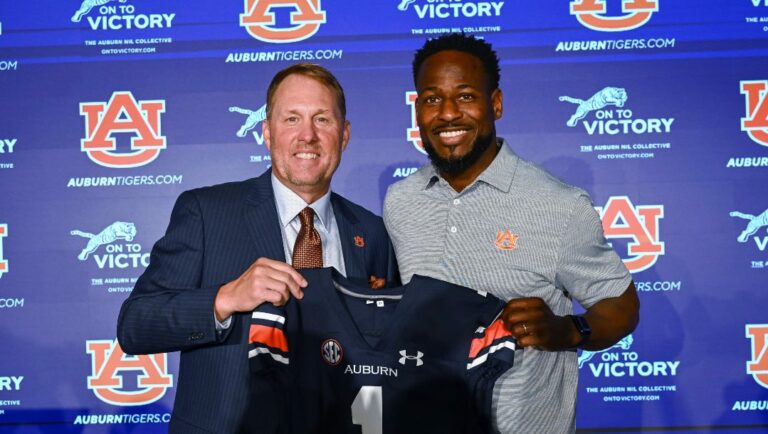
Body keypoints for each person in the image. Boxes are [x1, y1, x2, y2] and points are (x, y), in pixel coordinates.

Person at [117, 63, 398, 434]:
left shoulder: (371, 231)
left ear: (344, 135)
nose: (308, 136)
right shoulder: (206, 213)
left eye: (322, 120)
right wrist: (224, 299)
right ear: (267, 132)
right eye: (292, 119)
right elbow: (135, 325)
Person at [383, 33, 639, 433]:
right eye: (432, 99)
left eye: (465, 96)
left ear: (496, 103)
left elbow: (622, 307)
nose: (447, 114)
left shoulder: (560, 205)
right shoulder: (400, 201)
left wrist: (569, 330)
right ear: (417, 110)